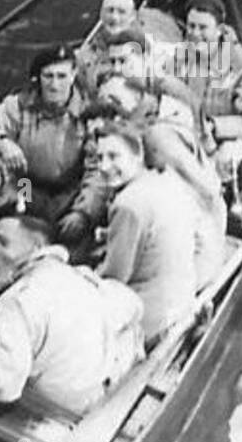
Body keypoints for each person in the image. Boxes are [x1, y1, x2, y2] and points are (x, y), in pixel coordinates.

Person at [0, 200, 145, 414]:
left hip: (53, 416)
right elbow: (133, 305)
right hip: (100, 406)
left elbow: (1, 381)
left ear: (37, 246)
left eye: (2, 242)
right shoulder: (80, 277)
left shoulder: (16, 301)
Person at [95, 73, 224, 290]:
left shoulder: (156, 138)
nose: (114, 112)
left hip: (195, 254)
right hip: (191, 240)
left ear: (137, 96)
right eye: (108, 105)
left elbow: (206, 193)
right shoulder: (142, 128)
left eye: (115, 101)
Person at [95, 123, 199, 345]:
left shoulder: (128, 204)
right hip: (181, 297)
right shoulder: (165, 181)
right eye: (99, 158)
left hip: (151, 316)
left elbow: (115, 278)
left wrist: (84, 276)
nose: (103, 166)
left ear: (138, 155)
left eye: (113, 156)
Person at [0, 43, 105, 226]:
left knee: (74, 230)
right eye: (48, 76)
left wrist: (83, 212)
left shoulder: (88, 113)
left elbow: (97, 170)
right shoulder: (19, 106)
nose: (54, 85)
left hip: (70, 196)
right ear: (39, 77)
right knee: (16, 225)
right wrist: (3, 143)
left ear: (73, 75)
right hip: (27, 186)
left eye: (61, 76)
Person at [176, 0, 242, 187]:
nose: (195, 34)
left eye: (203, 28)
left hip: (227, 139)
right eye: (191, 26)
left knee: (225, 159)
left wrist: (214, 126)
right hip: (190, 132)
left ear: (219, 30)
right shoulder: (181, 58)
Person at [75, 0, 139, 96]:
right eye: (110, 10)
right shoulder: (84, 55)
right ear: (101, 14)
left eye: (121, 12)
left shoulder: (151, 53)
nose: (114, 18)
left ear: (133, 16)